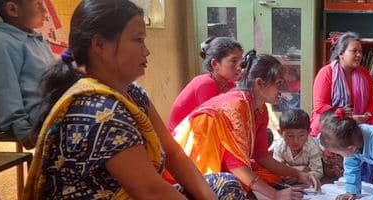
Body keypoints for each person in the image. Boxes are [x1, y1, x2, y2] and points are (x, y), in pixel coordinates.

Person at [23, 1, 244, 199]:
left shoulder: (133, 94)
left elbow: (173, 153)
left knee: (225, 185)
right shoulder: (98, 112)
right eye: (138, 40)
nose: (146, 51)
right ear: (99, 45)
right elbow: (151, 192)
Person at [173, 50, 321, 200]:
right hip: (195, 170)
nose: (282, 89)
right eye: (279, 83)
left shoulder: (261, 110)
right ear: (259, 84)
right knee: (254, 183)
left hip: (223, 167)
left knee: (272, 178)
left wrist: (299, 174)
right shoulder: (236, 107)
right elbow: (236, 166)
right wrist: (275, 195)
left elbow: (262, 156)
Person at [0, 0, 56, 149]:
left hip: (57, 111)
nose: (45, 11)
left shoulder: (39, 41)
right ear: (13, 9)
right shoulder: (0, 43)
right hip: (43, 120)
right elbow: (5, 91)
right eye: (37, 4)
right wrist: (23, 130)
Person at [310, 32, 373, 137]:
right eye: (354, 51)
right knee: (317, 126)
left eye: (360, 51)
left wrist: (367, 115)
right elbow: (320, 106)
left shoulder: (364, 73)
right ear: (341, 53)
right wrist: (342, 114)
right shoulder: (327, 72)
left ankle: (355, 130)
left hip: (361, 118)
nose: (359, 55)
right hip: (336, 118)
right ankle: (357, 132)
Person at [167, 37, 243, 131]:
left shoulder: (230, 84)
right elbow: (212, 122)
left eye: (241, 61)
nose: (239, 67)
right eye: (234, 61)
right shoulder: (206, 84)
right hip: (180, 140)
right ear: (215, 64)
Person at [270, 109, 323, 180]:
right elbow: (276, 168)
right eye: (290, 136)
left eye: (301, 135)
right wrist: (298, 170)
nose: (295, 141)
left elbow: (318, 172)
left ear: (308, 132)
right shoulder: (279, 146)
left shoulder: (312, 146)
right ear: (280, 133)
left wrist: (299, 177)